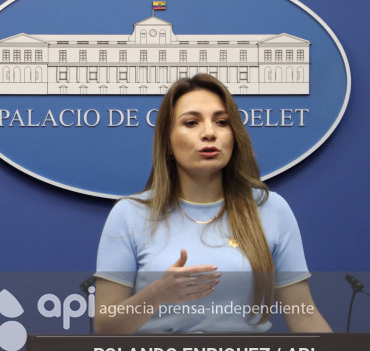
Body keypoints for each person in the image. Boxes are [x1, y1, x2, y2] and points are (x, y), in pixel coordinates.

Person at [94, 74, 331, 334]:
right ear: (168, 143)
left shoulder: (270, 209)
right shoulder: (131, 214)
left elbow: (305, 318)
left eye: (221, 122)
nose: (209, 133)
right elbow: (105, 329)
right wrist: (157, 294)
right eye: (192, 122)